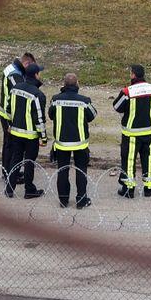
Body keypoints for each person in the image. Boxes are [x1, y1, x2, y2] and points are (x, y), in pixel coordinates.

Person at [113, 64, 151, 197]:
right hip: (149, 132)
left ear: (133, 74)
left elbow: (117, 107)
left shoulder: (127, 91)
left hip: (131, 133)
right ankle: (149, 188)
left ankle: (128, 189)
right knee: (149, 158)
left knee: (129, 160)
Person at [47, 72, 95, 208]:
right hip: (80, 143)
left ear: (64, 84)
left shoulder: (56, 100)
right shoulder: (84, 101)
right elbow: (92, 115)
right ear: (77, 83)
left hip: (62, 143)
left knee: (62, 171)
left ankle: (63, 200)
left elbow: (50, 115)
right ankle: (81, 200)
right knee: (81, 171)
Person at [0, 67, 46, 198]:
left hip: (15, 133)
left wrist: (9, 125)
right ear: (36, 75)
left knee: (15, 160)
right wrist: (44, 138)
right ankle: (29, 189)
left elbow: (8, 109)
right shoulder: (37, 94)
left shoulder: (15, 89)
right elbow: (39, 119)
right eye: (39, 73)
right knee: (29, 162)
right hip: (31, 136)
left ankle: (9, 188)